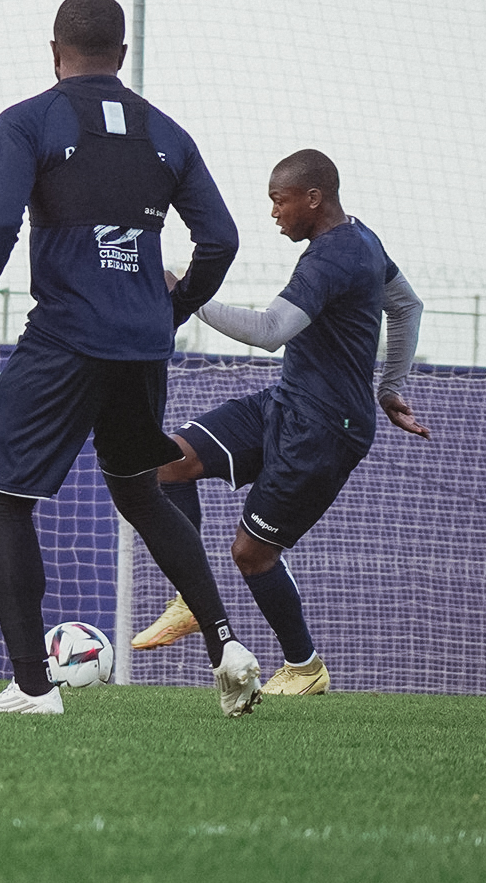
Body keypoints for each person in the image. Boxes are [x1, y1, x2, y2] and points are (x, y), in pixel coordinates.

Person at [0, 0, 264, 718]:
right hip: (142, 349)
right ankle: (228, 648)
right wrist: (168, 312)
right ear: (120, 56)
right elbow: (222, 240)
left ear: (56, 52)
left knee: (3, 499)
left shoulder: (28, 120)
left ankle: (31, 687)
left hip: (64, 340)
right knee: (139, 490)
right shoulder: (167, 132)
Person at [133, 148, 429, 695]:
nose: (274, 213)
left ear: (313, 198)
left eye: (279, 201)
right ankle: (190, 602)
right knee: (166, 463)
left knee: (252, 552)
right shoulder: (363, 238)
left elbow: (271, 331)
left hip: (324, 429)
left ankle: (304, 668)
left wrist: (187, 294)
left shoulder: (331, 256)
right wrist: (389, 389)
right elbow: (407, 304)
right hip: (286, 403)